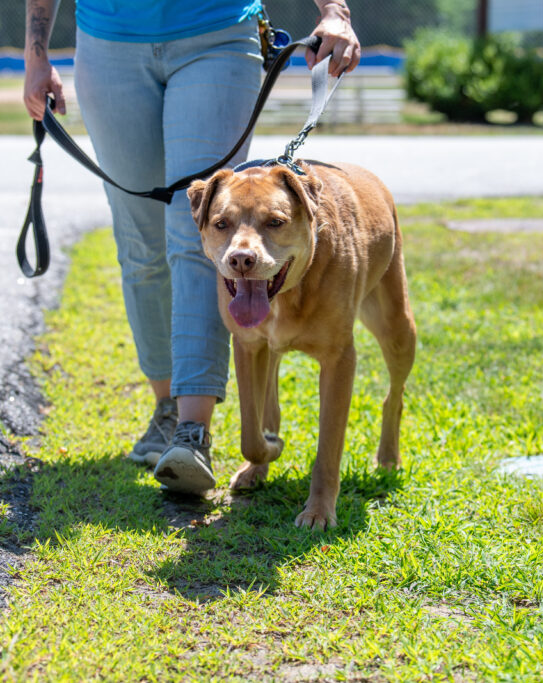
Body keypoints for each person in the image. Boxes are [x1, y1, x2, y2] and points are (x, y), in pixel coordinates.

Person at [23, 0, 360, 494]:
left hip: (217, 33)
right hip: (108, 42)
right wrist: (36, 55)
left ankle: (192, 429)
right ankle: (166, 407)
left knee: (201, 236)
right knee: (139, 241)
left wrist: (335, 11)